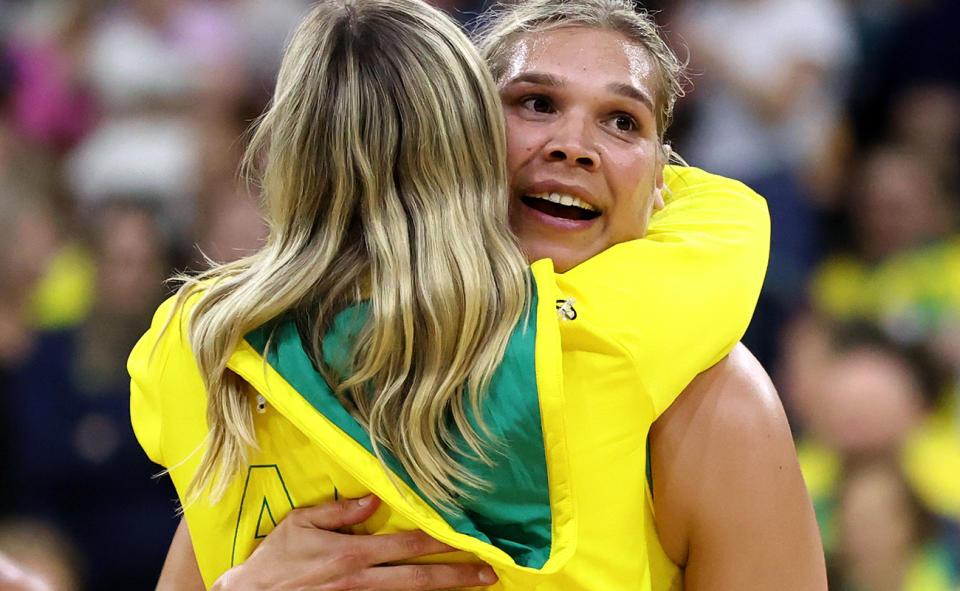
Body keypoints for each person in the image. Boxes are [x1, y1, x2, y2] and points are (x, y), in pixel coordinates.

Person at [132, 0, 820, 589]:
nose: (574, 146)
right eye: (536, 103)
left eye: (623, 122)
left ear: (662, 181)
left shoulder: (713, 399)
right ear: (457, 138)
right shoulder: (269, 371)